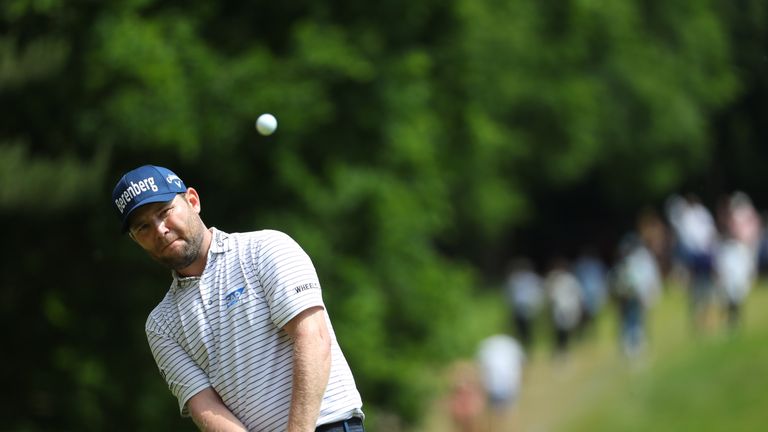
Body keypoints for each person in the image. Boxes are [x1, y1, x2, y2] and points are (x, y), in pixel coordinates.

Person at [112, 165, 364, 432]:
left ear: (192, 201)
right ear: (136, 239)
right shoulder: (161, 325)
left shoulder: (265, 249)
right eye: (143, 227)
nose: (160, 230)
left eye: (165, 212)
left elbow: (313, 338)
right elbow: (204, 404)